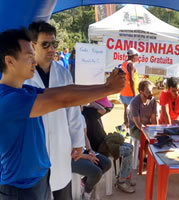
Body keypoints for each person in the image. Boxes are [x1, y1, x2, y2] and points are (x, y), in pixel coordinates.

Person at [0, 28, 125, 200]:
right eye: (29, 56)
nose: (34, 62)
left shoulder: (25, 91)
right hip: (20, 187)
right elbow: (61, 99)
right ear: (9, 61)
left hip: (39, 177)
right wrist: (108, 88)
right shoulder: (9, 100)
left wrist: (106, 86)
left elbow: (67, 92)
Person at [26, 21, 84, 200]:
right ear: (33, 45)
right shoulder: (22, 76)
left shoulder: (63, 73)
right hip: (32, 151)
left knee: (61, 190)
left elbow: (73, 110)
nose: (52, 49)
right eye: (46, 44)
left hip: (60, 146)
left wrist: (77, 141)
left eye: (54, 44)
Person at [82, 97, 135, 193]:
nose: (106, 110)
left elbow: (109, 107)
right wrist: (93, 102)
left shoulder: (89, 111)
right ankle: (121, 181)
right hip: (100, 147)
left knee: (130, 147)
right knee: (128, 151)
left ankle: (122, 176)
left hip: (104, 142)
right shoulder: (89, 113)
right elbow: (104, 109)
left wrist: (94, 103)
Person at [72, 113, 111, 200]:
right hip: (71, 157)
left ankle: (84, 184)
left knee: (106, 163)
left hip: (82, 152)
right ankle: (87, 192)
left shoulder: (81, 117)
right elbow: (69, 152)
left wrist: (90, 150)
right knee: (96, 172)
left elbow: (85, 136)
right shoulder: (65, 120)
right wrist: (87, 157)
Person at [116, 48, 139, 133]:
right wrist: (134, 94)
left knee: (126, 110)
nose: (138, 58)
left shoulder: (124, 63)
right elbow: (132, 80)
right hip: (129, 93)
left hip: (123, 92)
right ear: (133, 56)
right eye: (137, 56)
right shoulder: (130, 65)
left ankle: (126, 129)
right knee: (132, 113)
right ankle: (124, 127)